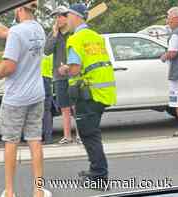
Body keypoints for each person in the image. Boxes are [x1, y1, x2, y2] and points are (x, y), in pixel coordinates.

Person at [0, 2, 52, 197]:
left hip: (15, 99)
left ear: (19, 8)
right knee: (35, 142)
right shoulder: (38, 29)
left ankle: (10, 192)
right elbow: (7, 32)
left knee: (11, 142)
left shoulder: (17, 32)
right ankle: (38, 191)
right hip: (36, 95)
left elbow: (8, 67)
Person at [59, 3, 117, 190]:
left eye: (67, 16)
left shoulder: (75, 39)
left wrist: (64, 69)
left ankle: (100, 177)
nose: (66, 19)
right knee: (92, 133)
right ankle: (95, 170)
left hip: (87, 94)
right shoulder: (95, 37)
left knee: (89, 135)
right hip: (102, 92)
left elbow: (75, 69)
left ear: (76, 17)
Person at [45, 6, 81, 144]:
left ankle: (80, 135)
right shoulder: (54, 33)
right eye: (56, 17)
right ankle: (67, 136)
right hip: (59, 77)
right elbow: (47, 51)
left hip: (74, 75)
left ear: (67, 17)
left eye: (60, 16)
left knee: (76, 107)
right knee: (64, 107)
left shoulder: (74, 33)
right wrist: (54, 35)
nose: (57, 19)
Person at [161, 7, 178, 137]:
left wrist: (163, 56)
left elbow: (172, 53)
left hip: (177, 74)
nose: (167, 21)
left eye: (168, 18)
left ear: (176, 18)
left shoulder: (175, 34)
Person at [40, 54, 54, 144]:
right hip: (48, 79)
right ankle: (48, 138)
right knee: (47, 111)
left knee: (34, 110)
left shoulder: (34, 49)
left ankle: (36, 137)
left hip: (36, 79)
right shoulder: (50, 53)